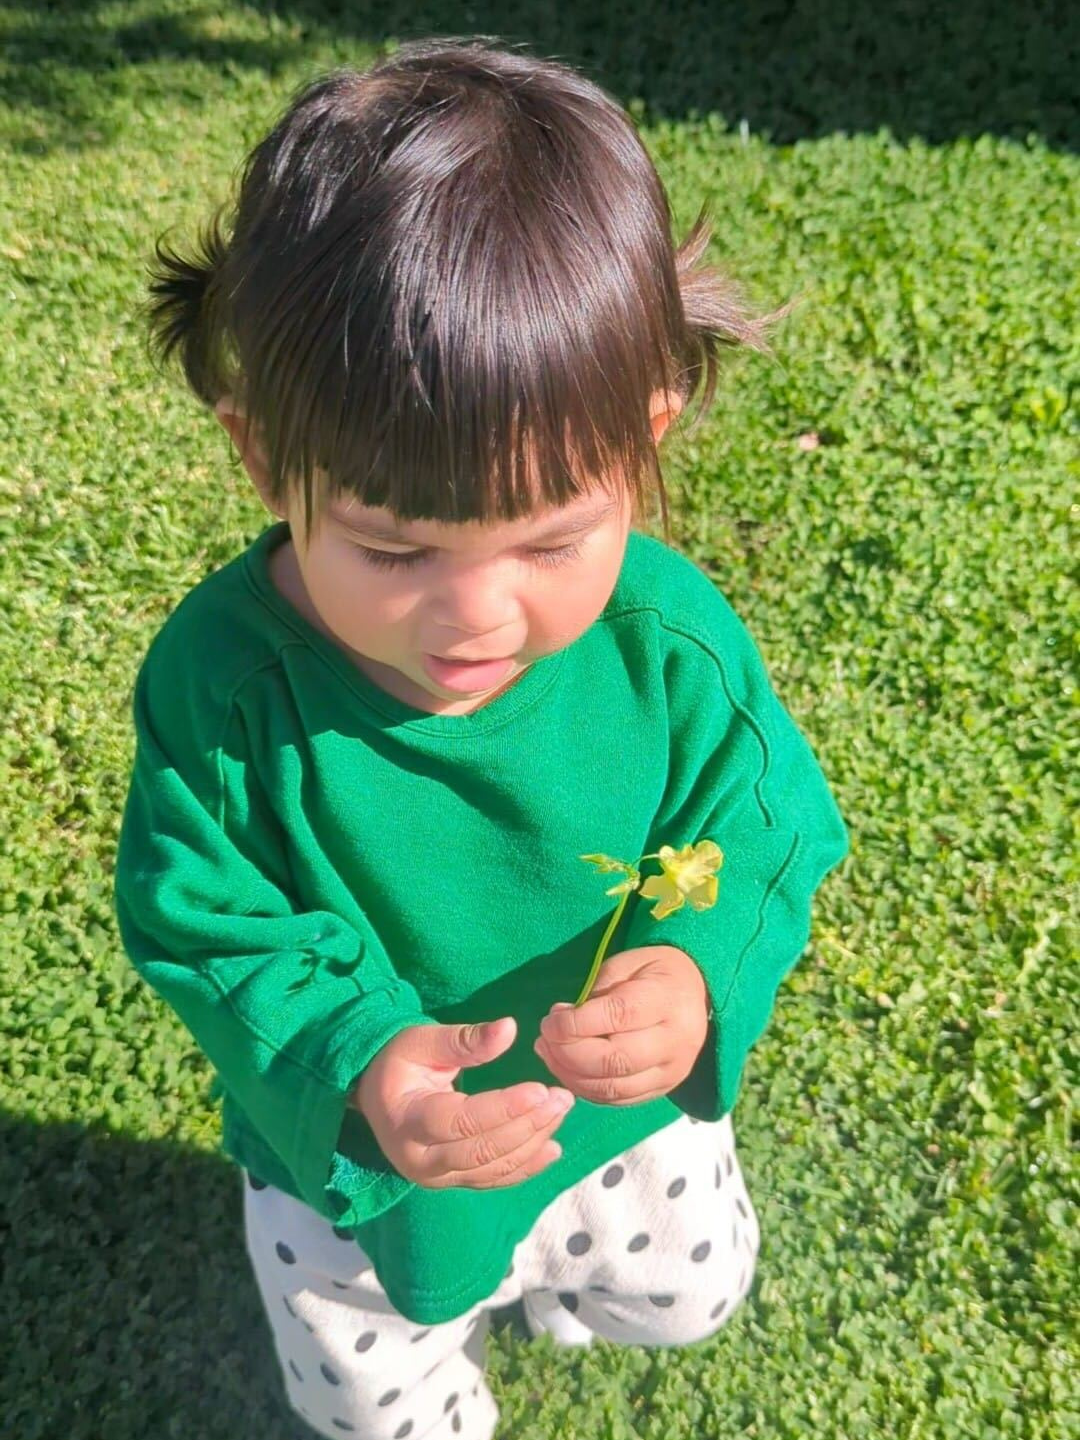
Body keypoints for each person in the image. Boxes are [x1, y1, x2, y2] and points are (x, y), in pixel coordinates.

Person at [113, 35, 850, 1440]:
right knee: (382, 1397)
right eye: (394, 549)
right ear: (263, 456)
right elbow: (203, 914)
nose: (474, 618)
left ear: (647, 434)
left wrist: (693, 977)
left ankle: (563, 1293)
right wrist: (360, 1058)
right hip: (367, 1167)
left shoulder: (667, 640)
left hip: (614, 1126)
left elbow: (767, 821)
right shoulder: (226, 688)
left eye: (553, 538)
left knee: (685, 1293)